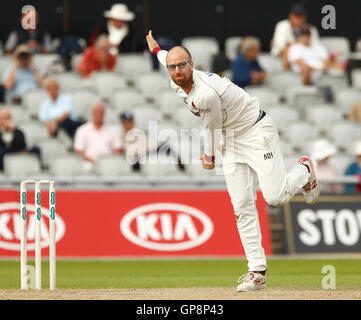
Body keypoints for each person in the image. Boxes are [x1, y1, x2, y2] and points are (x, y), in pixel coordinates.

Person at [146, 30, 320, 292]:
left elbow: (212, 129)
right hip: (232, 140)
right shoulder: (175, 75)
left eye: (182, 65)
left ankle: (304, 170)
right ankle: (257, 271)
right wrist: (156, 50)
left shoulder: (206, 94)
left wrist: (209, 157)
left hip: (254, 130)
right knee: (241, 206)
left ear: (192, 65)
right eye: (173, 67)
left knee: (275, 197)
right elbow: (166, 59)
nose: (177, 70)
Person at [119, 111, 185, 171]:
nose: (128, 124)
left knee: (166, 147)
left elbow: (151, 146)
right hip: (134, 159)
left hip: (146, 154)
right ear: (122, 123)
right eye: (126, 122)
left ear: (133, 122)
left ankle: (181, 168)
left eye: (130, 121)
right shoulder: (120, 137)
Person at [74, 102, 122, 171]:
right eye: (96, 112)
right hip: (89, 163)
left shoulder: (112, 130)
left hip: (108, 163)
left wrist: (107, 161)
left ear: (104, 114)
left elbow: (117, 150)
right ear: (92, 113)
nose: (98, 115)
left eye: (101, 112)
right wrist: (92, 161)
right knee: (86, 167)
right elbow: (79, 151)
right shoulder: (82, 130)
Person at [271, 3, 319, 69]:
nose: (298, 19)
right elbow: (280, 45)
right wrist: (299, 43)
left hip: (304, 55)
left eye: (301, 16)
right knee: (287, 50)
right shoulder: (282, 25)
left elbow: (315, 46)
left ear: (305, 17)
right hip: (283, 55)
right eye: (296, 16)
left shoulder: (311, 29)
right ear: (290, 16)